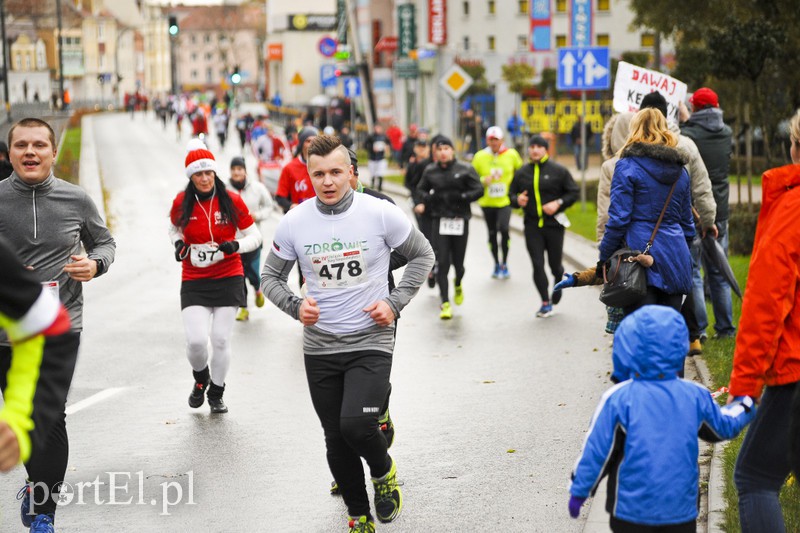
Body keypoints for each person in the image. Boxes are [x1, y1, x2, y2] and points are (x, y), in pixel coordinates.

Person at [261, 135, 434, 532]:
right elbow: (270, 276)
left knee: (356, 425)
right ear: (309, 175)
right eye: (319, 174)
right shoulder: (295, 221)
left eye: (336, 172)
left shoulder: (380, 213)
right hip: (320, 346)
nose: (328, 181)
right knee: (335, 437)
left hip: (370, 338)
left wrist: (394, 303)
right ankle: (359, 516)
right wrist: (294, 306)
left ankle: (383, 472)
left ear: (351, 173)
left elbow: (423, 255)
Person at [0, 117, 116, 532]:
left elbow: (105, 242)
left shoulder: (76, 199)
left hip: (61, 324)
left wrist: (94, 264)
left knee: (49, 417)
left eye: (39, 145)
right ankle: (37, 485)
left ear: (53, 152)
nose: (30, 152)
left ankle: (44, 514)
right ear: (10, 153)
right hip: (6, 332)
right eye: (21, 145)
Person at [568, 305, 755, 531]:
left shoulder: (618, 399)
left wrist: (579, 490)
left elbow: (597, 450)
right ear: (679, 345)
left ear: (627, 347)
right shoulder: (695, 396)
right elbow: (723, 426)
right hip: (680, 510)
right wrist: (745, 405)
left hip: (630, 512)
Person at [729, 108, 800, 533]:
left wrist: (743, 390)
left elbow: (765, 304)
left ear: (795, 147)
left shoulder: (792, 210)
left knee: (755, 477)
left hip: (794, 371)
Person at [169, 139, 262, 414]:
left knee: (220, 339)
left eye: (208, 172)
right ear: (191, 177)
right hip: (195, 279)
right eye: (198, 174)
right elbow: (173, 229)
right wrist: (178, 244)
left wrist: (236, 246)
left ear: (214, 172)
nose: (205, 178)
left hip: (228, 275)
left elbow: (255, 236)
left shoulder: (231, 200)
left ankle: (217, 393)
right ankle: (201, 378)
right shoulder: (182, 202)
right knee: (197, 341)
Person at [639, 91, 717, 356]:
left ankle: (655, 347)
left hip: (646, 234)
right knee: (687, 277)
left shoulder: (634, 148)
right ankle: (694, 336)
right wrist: (708, 220)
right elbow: (702, 186)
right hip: (682, 227)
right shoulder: (686, 145)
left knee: (652, 286)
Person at [598, 108, 695, 316]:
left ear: (635, 130)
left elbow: (618, 219)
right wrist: (681, 254)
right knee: (668, 327)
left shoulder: (626, 166)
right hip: (675, 255)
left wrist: (604, 256)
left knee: (642, 327)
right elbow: (688, 224)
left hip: (639, 255)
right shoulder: (681, 171)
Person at [680, 88, 735, 340]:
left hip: (695, 212)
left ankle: (699, 328)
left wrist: (685, 121)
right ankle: (725, 329)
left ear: (695, 108)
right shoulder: (727, 133)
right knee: (719, 272)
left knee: (693, 272)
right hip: (720, 211)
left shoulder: (689, 135)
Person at [509, 134, 579, 318]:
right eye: (532, 147)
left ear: (545, 149)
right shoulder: (522, 172)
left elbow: (573, 192)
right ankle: (545, 302)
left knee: (555, 265)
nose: (535, 150)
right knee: (537, 264)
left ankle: (558, 278)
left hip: (554, 225)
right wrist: (517, 200)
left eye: (539, 147)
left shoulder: (558, 170)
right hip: (532, 226)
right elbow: (511, 195)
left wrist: (558, 203)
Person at [415, 136, 484, 319]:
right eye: (439, 149)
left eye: (446, 148)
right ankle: (445, 303)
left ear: (452, 151)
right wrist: (429, 198)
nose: (443, 152)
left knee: (458, 264)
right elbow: (420, 190)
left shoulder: (465, 169)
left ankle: (458, 282)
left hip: (460, 220)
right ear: (435, 153)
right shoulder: (430, 171)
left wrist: (463, 197)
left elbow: (479, 189)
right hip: (440, 221)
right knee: (442, 262)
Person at [471, 125, 523, 279]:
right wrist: (482, 180)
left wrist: (517, 190)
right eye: (491, 140)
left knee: (504, 229)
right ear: (487, 141)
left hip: (505, 201)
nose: (494, 143)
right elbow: (471, 178)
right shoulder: (480, 156)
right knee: (492, 233)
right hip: (487, 202)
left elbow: (521, 173)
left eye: (496, 140)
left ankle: (504, 263)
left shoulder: (511, 155)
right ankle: (496, 263)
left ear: (502, 140)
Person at [226, 156, 273, 322]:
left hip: (253, 239)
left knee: (252, 273)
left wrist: (257, 215)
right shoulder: (225, 189)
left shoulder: (257, 188)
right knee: (239, 276)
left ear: (245, 171)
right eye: (234, 169)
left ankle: (258, 289)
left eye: (239, 169)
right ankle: (243, 308)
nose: (236, 172)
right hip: (234, 240)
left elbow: (269, 206)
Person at [365, 124, 389, 191]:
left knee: (380, 173)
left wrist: (387, 147)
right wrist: (371, 148)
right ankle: (372, 185)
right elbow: (365, 145)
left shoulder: (384, 137)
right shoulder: (371, 137)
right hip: (372, 157)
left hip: (381, 157)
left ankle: (380, 187)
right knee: (373, 173)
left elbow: (389, 144)